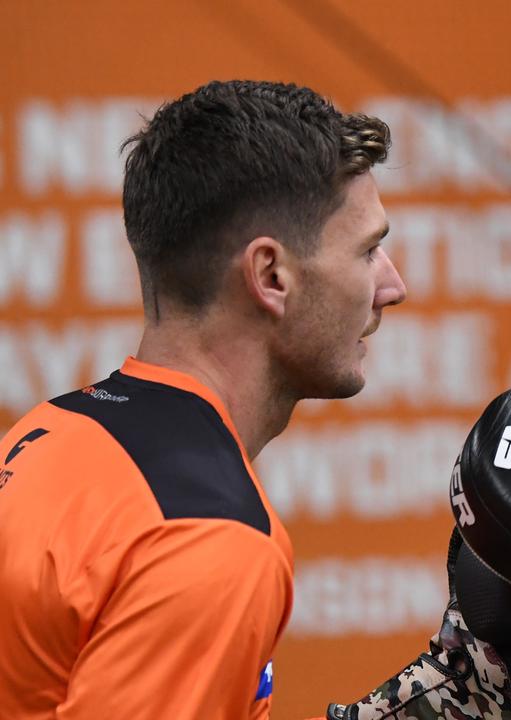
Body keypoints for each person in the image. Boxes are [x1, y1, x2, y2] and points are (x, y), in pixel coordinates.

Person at [0, 80, 408, 718]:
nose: (393, 286)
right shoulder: (208, 535)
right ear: (271, 275)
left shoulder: (49, 432)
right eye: (369, 249)